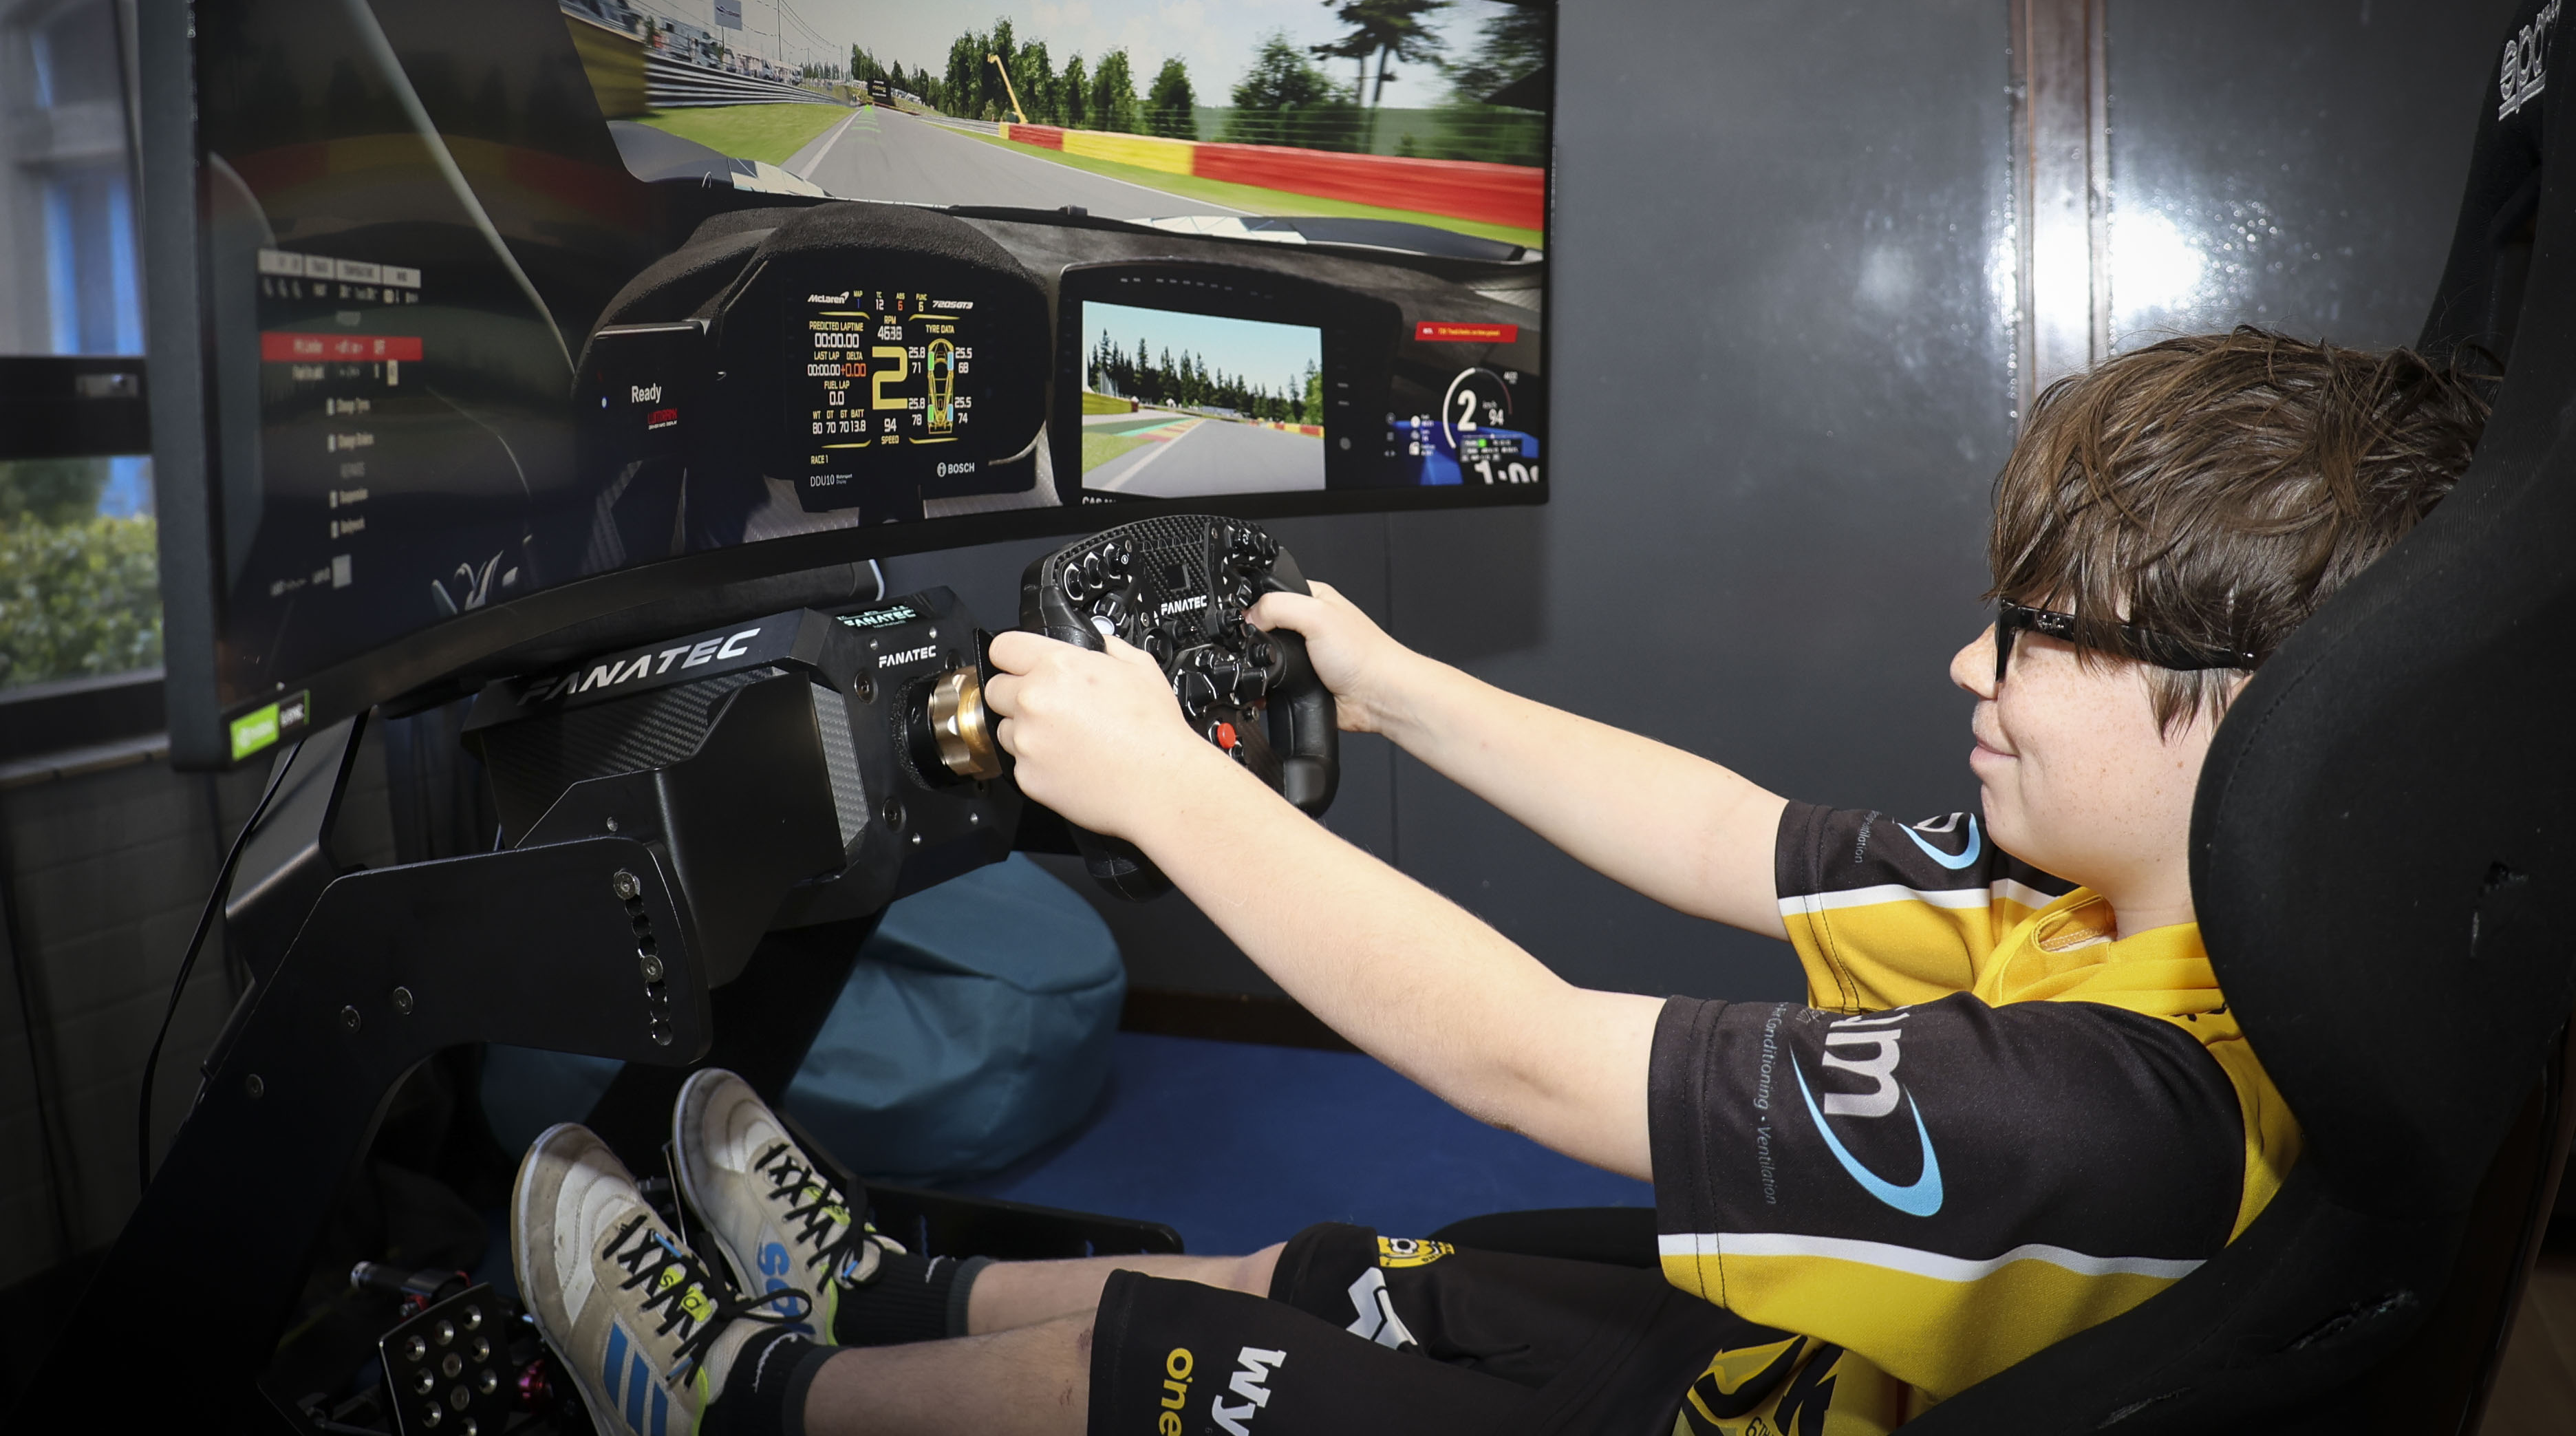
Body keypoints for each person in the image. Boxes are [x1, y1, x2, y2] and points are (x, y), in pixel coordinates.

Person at [509, 329, 2490, 1436]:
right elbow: (1725, 834)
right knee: (1358, 1275)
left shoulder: (2097, 1106)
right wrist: (1393, 688)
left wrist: (1166, 792)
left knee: (1189, 1373)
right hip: (1808, 1389)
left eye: (2041, 636)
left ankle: (739, 1403)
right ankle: (884, 1293)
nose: (1970, 667)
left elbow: (1526, 1057)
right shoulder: (2118, 921)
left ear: (2265, 709)